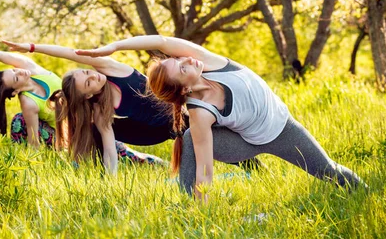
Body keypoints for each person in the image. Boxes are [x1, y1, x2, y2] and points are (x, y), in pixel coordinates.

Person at [77, 35, 366, 200]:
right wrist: (202, 210)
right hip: (244, 144)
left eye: (178, 59)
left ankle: (368, 194)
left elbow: (163, 41)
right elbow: (205, 169)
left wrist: (116, 47)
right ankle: (189, 206)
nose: (186, 59)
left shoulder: (210, 63)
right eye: (180, 66)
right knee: (190, 136)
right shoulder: (200, 112)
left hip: (284, 131)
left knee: (330, 171)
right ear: (185, 87)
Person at [0, 48, 165, 167]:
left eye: (14, 70)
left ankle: (151, 162)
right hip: (68, 137)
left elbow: (2, 55)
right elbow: (34, 141)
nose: (19, 72)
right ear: (16, 91)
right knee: (19, 122)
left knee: (122, 153)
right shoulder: (28, 102)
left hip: (88, 125)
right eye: (15, 78)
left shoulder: (33, 69)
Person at [1, 41, 185, 174]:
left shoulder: (111, 69)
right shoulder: (99, 108)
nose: (94, 77)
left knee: (191, 132)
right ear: (88, 94)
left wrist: (33, 48)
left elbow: (71, 52)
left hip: (179, 114)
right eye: (88, 83)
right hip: (155, 132)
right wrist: (111, 181)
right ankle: (86, 163)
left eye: (88, 73)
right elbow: (110, 150)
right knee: (95, 129)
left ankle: (151, 161)